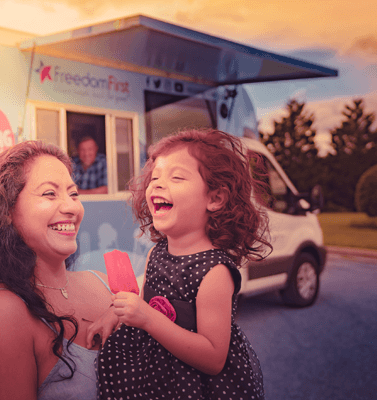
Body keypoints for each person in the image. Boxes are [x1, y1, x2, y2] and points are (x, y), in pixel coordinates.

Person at [87, 128, 272, 400]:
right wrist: (113, 314)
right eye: (155, 178)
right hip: (150, 377)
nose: (158, 185)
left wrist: (148, 319)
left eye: (176, 177)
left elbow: (213, 357)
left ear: (215, 198)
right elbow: (140, 297)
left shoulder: (215, 273)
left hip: (193, 386)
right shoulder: (157, 254)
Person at [0, 140, 114, 400]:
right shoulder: (3, 311)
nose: (71, 207)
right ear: (8, 211)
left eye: (73, 193)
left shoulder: (104, 282)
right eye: (49, 193)